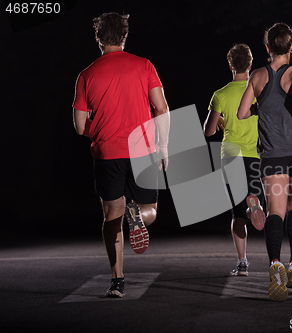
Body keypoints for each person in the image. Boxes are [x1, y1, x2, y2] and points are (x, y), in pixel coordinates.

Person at [72, 12, 170, 298]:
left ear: (98, 38)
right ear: (125, 36)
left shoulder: (86, 75)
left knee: (111, 215)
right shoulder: (144, 65)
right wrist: (163, 146)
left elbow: (79, 127)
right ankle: (137, 214)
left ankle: (117, 281)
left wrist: (103, 130)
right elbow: (162, 109)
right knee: (150, 210)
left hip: (107, 152)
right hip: (144, 148)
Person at [237, 23, 292, 301]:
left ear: (268, 47)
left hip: (272, 152)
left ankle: (275, 264)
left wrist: (263, 106)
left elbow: (241, 113)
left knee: (275, 210)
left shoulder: (258, 75)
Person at [203, 43, 266, 277]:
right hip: (255, 154)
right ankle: (256, 205)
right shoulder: (260, 91)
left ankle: (242, 263)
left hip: (229, 155)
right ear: (251, 64)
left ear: (230, 65)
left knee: (236, 213)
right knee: (252, 197)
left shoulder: (220, 94)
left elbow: (208, 131)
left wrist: (219, 123)